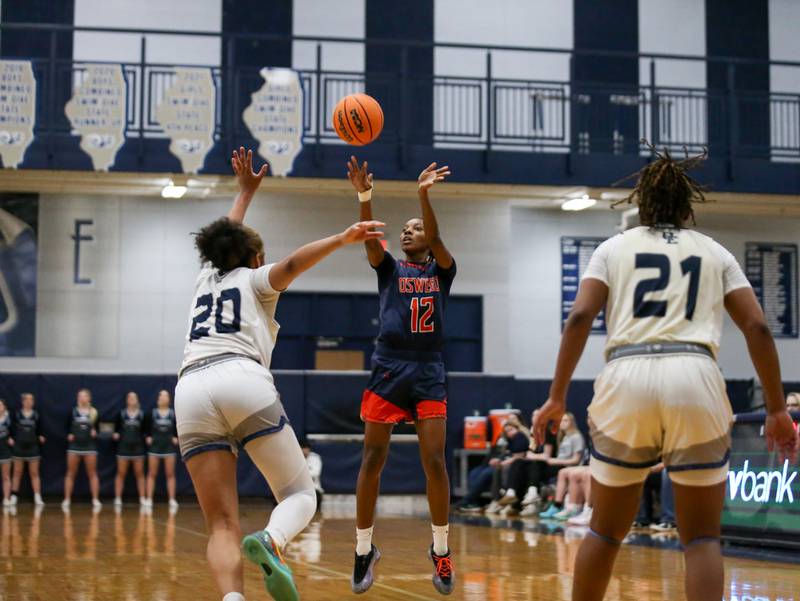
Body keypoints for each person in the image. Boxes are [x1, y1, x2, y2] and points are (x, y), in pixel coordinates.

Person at [533, 145, 799, 601]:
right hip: (694, 373)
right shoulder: (713, 251)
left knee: (604, 532)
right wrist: (777, 408)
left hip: (627, 373)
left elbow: (578, 319)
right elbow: (756, 325)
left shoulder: (614, 248)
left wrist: (556, 398)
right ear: (687, 209)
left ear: (642, 205)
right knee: (701, 539)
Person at [174, 147, 384, 601]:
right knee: (299, 495)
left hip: (189, 388)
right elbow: (291, 266)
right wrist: (343, 238)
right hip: (240, 377)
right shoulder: (254, 280)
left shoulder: (205, 279)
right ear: (252, 259)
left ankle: (232, 599)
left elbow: (224, 239)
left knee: (221, 524)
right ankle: (272, 540)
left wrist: (244, 193)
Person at [346, 156, 456, 595]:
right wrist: (364, 196)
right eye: (406, 227)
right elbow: (371, 241)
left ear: (428, 239)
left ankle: (441, 551)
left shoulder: (442, 269)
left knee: (434, 461)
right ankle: (362, 549)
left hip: (428, 368)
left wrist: (423, 195)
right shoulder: (390, 268)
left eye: (416, 227)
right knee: (372, 460)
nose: (408, 230)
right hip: (389, 366)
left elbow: (438, 236)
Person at [62, 388, 102, 511]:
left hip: (90, 447)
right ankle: (67, 499)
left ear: (89, 398)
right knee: (70, 473)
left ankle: (95, 499)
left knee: (92, 473)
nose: (81, 398)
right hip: (74, 447)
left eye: (84, 396)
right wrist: (69, 434)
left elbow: (99, 429)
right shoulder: (72, 411)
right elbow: (66, 427)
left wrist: (96, 432)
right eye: (79, 396)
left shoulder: (94, 412)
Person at [145, 389, 179, 509]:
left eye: (166, 396)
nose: (163, 398)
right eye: (161, 396)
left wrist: (176, 437)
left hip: (168, 447)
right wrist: (148, 437)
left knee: (170, 474)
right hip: (155, 447)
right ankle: (148, 499)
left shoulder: (173, 414)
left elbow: (177, 429)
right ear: (158, 399)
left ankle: (172, 499)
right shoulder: (152, 413)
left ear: (169, 399)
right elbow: (146, 428)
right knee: (151, 473)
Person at [10, 392, 45, 506]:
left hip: (33, 447)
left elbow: (40, 429)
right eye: (27, 399)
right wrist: (11, 438)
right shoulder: (17, 414)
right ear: (23, 401)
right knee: (17, 473)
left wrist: (40, 436)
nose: (29, 401)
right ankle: (14, 496)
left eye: (31, 400)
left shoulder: (36, 414)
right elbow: (11, 429)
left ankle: (37, 496)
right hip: (19, 447)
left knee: (34, 473)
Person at [113, 391, 147, 507]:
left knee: (140, 473)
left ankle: (142, 498)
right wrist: (116, 434)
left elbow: (145, 431)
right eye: (130, 397)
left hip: (138, 448)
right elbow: (116, 430)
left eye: (134, 397)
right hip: (123, 448)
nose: (132, 399)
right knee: (121, 473)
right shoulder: (121, 414)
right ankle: (117, 498)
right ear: (127, 400)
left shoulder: (142, 414)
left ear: (137, 400)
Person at [300, 441, 323, 510]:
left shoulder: (315, 458)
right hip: (298, 489)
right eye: (302, 448)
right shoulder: (294, 458)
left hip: (314, 488)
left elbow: (316, 473)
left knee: (317, 496)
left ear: (309, 449)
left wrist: (300, 475)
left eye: (305, 448)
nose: (304, 450)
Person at [0, 400, 13, 506]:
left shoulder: (9, 419)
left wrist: (12, 438)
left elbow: (15, 431)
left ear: (4, 407)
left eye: (0, 405)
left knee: (6, 476)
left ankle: (6, 499)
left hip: (5, 450)